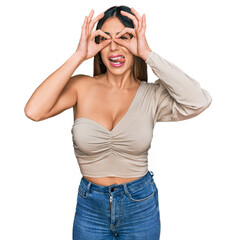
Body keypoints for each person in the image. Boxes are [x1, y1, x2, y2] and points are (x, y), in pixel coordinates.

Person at [24, 5, 212, 240]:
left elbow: (199, 101)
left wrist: (148, 54)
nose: (114, 47)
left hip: (140, 204)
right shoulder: (81, 86)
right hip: (90, 207)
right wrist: (78, 56)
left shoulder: (151, 95)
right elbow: (34, 111)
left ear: (136, 41)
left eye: (124, 37)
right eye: (105, 39)